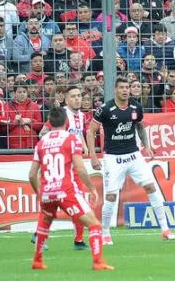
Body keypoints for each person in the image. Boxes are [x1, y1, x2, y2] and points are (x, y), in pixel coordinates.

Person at [86, 77, 175, 243]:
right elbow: (91, 131)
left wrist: (146, 146)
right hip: (113, 157)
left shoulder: (136, 107)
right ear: (115, 90)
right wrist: (93, 156)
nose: (125, 90)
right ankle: (105, 232)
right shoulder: (105, 109)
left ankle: (165, 229)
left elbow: (140, 127)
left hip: (134, 155)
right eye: (121, 87)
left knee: (151, 186)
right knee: (111, 196)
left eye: (127, 87)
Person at [29, 106, 113, 271]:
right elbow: (80, 168)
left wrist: (40, 193)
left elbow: (32, 174)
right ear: (66, 121)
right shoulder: (71, 139)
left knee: (44, 224)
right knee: (94, 225)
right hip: (66, 191)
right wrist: (91, 188)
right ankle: (98, 262)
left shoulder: (41, 143)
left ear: (50, 122)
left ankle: (37, 261)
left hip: (47, 192)